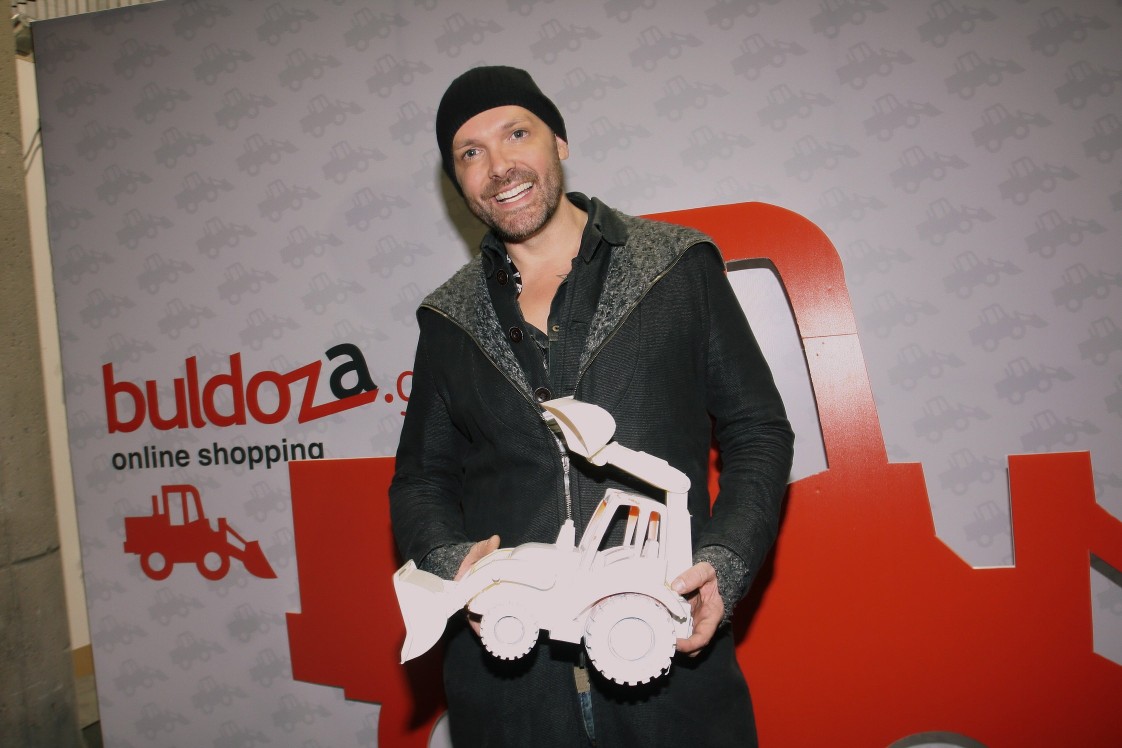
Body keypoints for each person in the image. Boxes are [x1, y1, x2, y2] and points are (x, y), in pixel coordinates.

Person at [389, 65, 794, 747]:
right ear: (457, 180)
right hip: (510, 700)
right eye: (470, 152)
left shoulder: (676, 264)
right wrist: (449, 558)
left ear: (560, 142)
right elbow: (419, 480)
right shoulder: (446, 318)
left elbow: (759, 431)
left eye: (517, 133)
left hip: (671, 683)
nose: (498, 165)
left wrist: (725, 561)